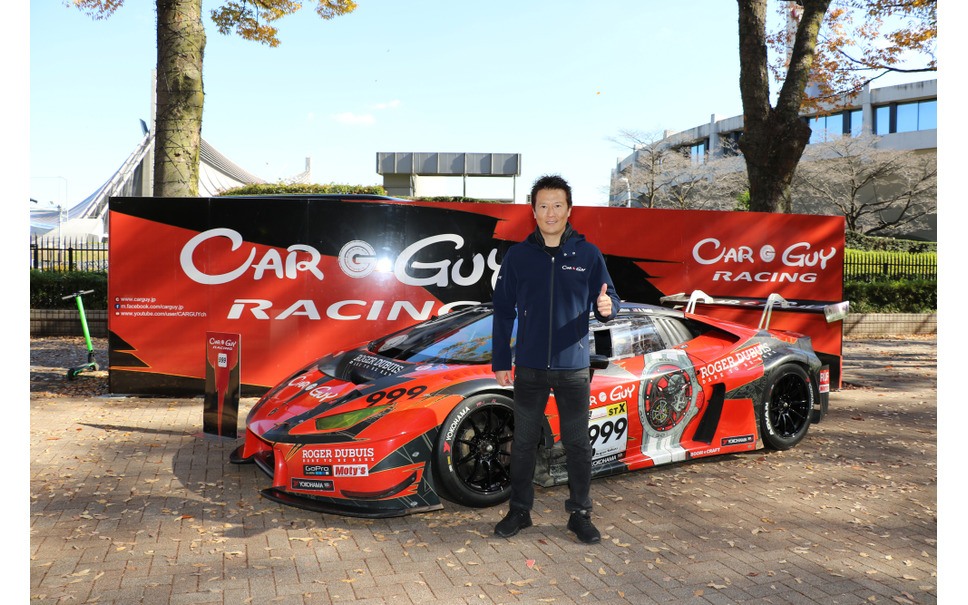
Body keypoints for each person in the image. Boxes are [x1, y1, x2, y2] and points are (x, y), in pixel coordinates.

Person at [491, 174, 620, 544]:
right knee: (525, 442)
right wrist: (501, 359)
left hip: (574, 369)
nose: (551, 212)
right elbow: (502, 310)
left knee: (578, 443)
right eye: (543, 205)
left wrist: (608, 307)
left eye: (557, 205)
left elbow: (611, 298)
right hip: (529, 368)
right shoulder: (518, 256)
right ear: (533, 211)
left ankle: (580, 514)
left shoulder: (589, 254)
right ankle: (519, 510)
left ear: (569, 210)